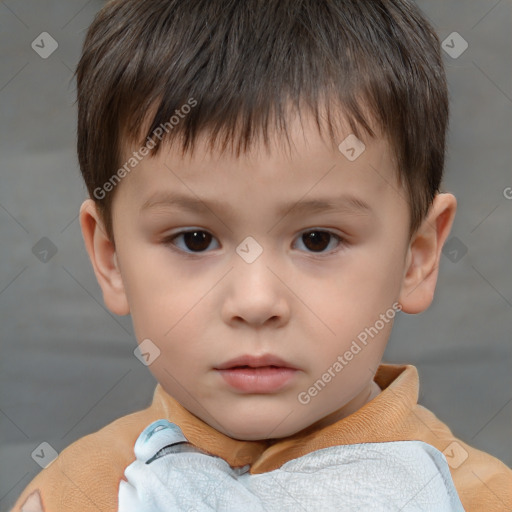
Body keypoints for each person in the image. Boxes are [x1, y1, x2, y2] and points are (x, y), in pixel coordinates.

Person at [11, 0, 512, 510]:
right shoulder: (74, 495)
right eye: (195, 239)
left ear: (417, 256)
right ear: (110, 256)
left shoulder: (481, 499)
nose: (255, 301)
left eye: (317, 239)